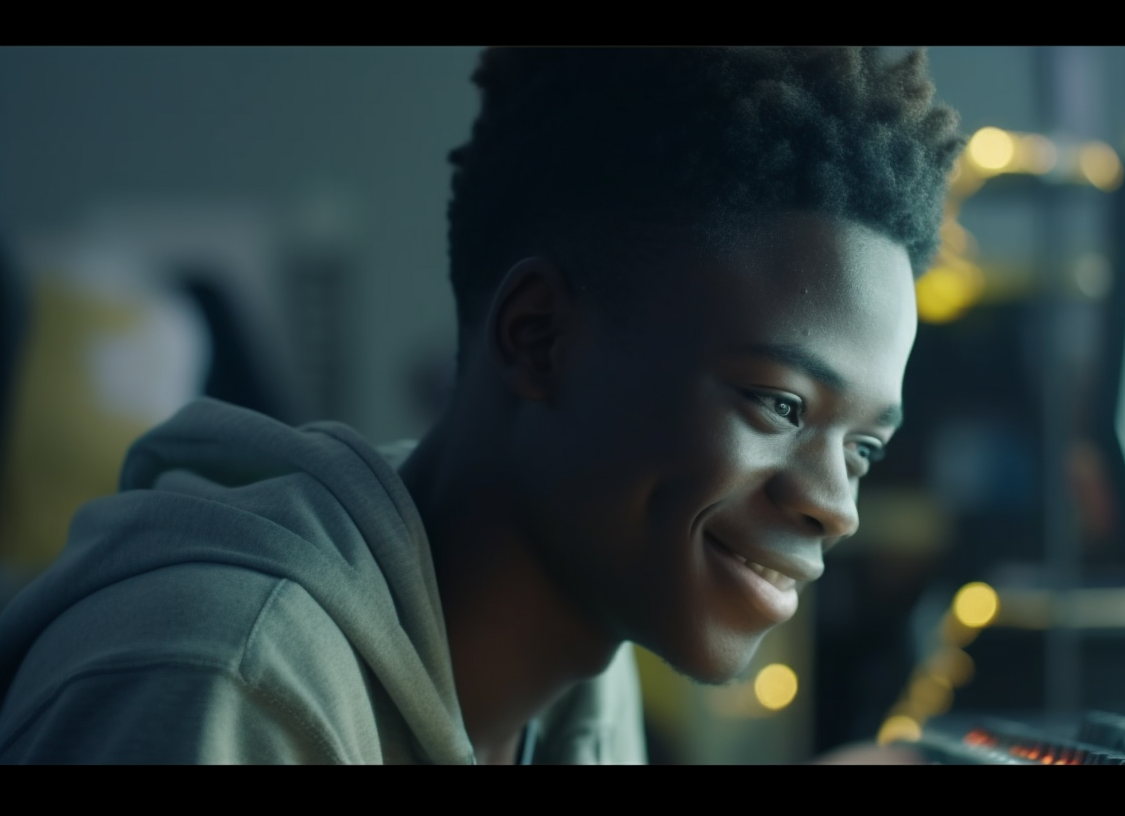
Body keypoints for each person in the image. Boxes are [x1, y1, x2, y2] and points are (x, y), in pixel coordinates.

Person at [0, 47, 963, 764]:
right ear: (536, 337)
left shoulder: (587, 698)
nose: (836, 505)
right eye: (782, 405)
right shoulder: (224, 681)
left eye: (865, 449)